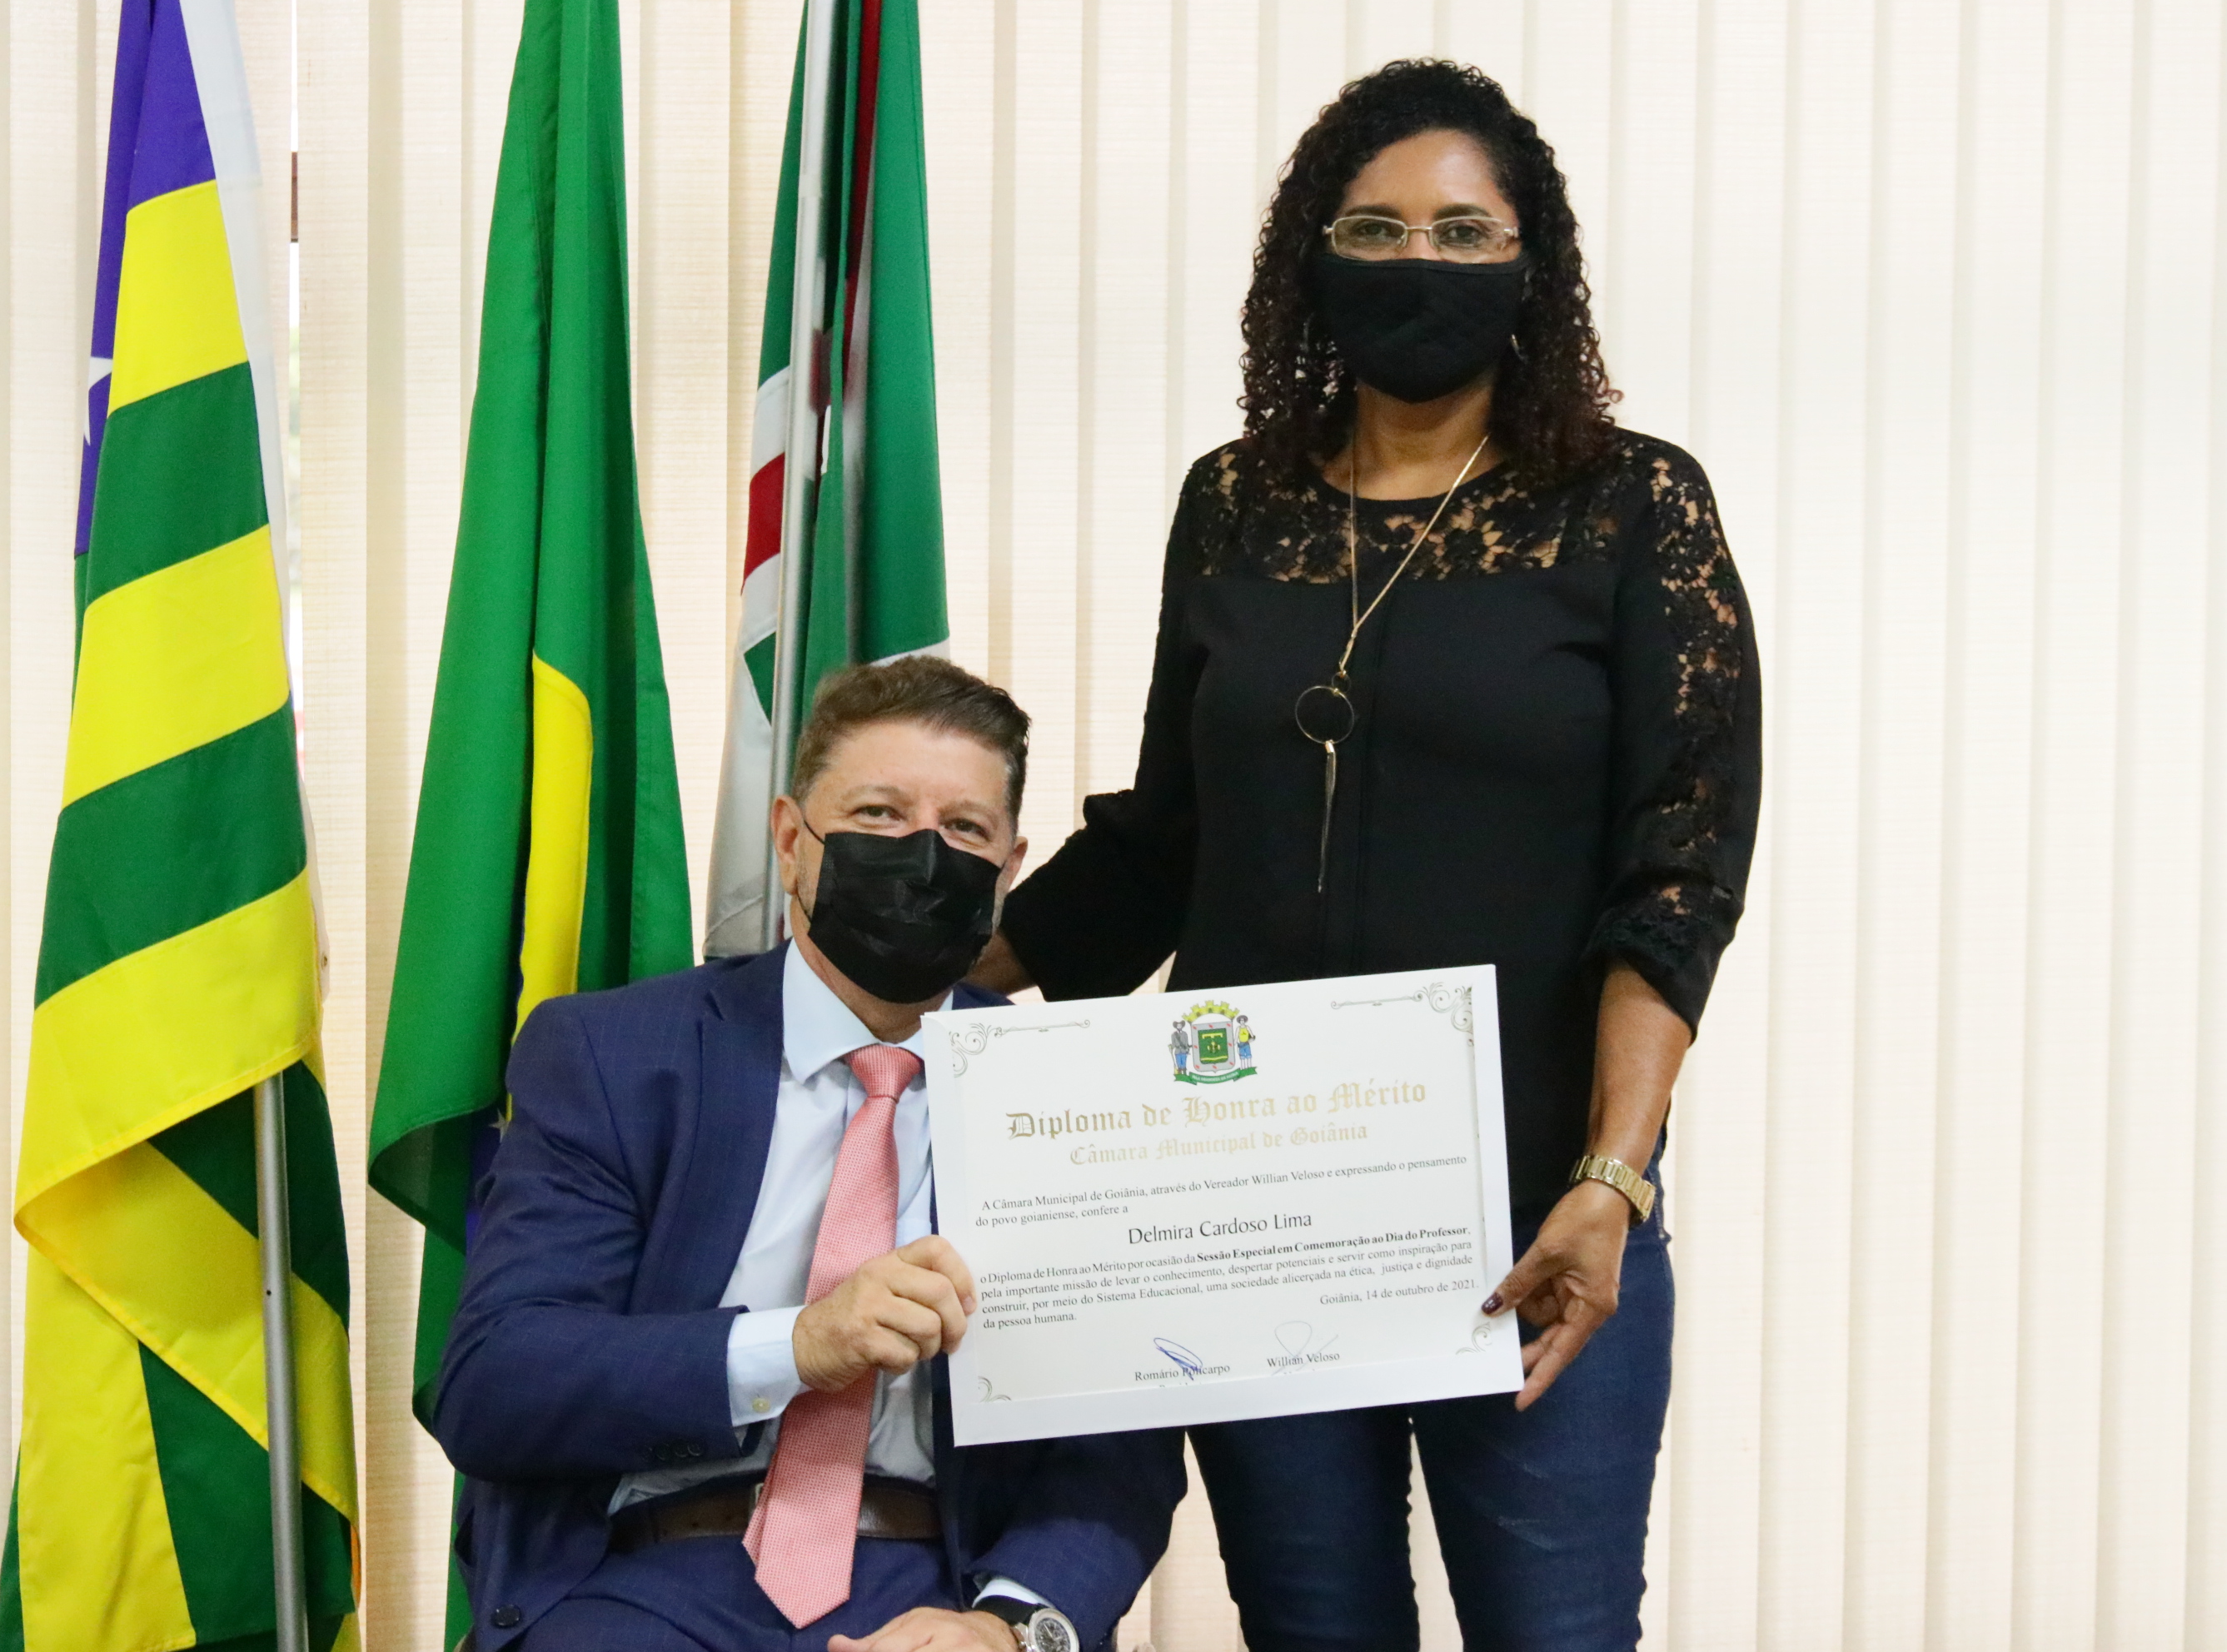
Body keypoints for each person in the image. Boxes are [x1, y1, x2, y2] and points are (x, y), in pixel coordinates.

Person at [972, 59, 1761, 1652]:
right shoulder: (1236, 501)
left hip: (1537, 1215)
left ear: (1532, 262)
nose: (1418, 262)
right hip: (1258, 1209)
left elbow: (1677, 874)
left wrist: (1612, 1176)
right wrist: (893, 983)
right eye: (1376, 227)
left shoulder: (1632, 506)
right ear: (1310, 257)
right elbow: (1165, 838)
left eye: (1463, 231)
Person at [435, 657, 1188, 1652]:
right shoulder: (617, 1056)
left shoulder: (1073, 1091)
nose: (924, 855)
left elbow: (1120, 1447)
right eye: (879, 814)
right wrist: (798, 1344)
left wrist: (1009, 1626)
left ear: (1009, 868)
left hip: (939, 1586)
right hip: (651, 1580)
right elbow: (499, 1380)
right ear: (791, 841)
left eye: (964, 829)